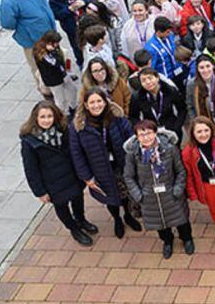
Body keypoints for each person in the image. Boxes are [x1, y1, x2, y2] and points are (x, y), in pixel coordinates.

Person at [20, 101, 96, 246]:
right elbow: (30, 170)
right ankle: (74, 229)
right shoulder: (29, 141)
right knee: (62, 207)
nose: (46, 120)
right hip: (52, 183)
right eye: (42, 117)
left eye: (50, 116)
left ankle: (81, 220)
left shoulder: (64, 130)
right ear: (35, 118)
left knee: (78, 199)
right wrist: (40, 192)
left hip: (72, 175)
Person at [69, 88, 142, 238]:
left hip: (121, 164)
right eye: (92, 102)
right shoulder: (78, 126)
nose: (96, 105)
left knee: (126, 193)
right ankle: (117, 219)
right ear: (86, 105)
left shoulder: (117, 118)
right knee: (110, 196)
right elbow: (76, 153)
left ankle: (128, 215)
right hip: (99, 168)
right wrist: (86, 177)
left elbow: (131, 139)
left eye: (99, 101)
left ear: (105, 102)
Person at [123, 119, 194, 258]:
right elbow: (129, 177)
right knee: (160, 225)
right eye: (142, 134)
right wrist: (139, 196)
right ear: (136, 137)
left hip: (171, 195)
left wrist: (177, 190)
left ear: (156, 132)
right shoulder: (133, 155)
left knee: (182, 221)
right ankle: (167, 241)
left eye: (149, 133)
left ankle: (187, 239)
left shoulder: (170, 149)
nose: (146, 137)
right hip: (149, 198)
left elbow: (180, 171)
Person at [0, 0, 59, 97]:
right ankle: (47, 92)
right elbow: (7, 23)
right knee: (39, 67)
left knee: (56, 59)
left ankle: (58, 82)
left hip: (50, 35)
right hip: (33, 40)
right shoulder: (9, 1)